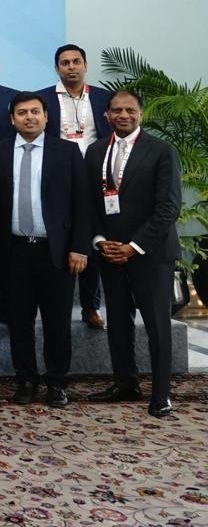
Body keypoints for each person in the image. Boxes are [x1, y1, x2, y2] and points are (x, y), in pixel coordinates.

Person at [0, 91, 90, 408]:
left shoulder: (67, 152)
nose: (29, 117)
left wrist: (80, 248)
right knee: (19, 321)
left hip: (55, 252)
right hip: (15, 250)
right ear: (12, 119)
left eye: (35, 111)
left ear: (46, 117)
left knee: (57, 322)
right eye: (22, 112)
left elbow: (82, 204)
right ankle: (26, 380)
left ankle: (57, 383)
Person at [85, 90, 181, 418]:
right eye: (116, 110)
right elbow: (91, 204)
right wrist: (100, 241)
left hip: (150, 255)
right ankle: (125, 383)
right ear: (106, 115)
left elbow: (168, 207)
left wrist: (135, 246)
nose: (123, 115)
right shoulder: (96, 151)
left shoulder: (162, 151)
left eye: (130, 110)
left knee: (156, 325)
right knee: (119, 324)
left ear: (140, 114)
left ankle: (162, 394)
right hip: (110, 253)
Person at [39, 44, 114, 330]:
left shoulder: (103, 98)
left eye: (76, 61)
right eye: (65, 63)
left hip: (96, 176)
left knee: (91, 239)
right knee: (61, 240)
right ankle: (53, 306)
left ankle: (90, 306)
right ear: (57, 68)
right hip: (58, 178)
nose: (71, 67)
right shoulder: (43, 99)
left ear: (85, 65)